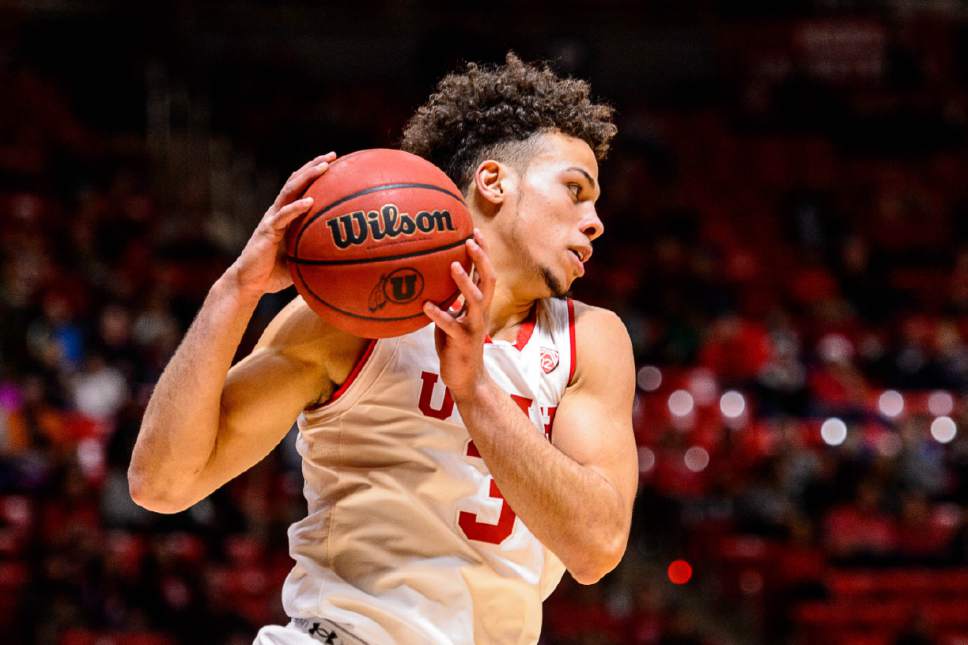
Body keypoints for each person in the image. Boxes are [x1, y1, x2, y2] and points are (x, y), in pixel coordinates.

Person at [128, 53, 638, 645]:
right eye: (575, 190)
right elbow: (162, 484)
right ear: (494, 182)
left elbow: (596, 547)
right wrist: (234, 289)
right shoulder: (352, 321)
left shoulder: (589, 340)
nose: (595, 221)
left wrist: (473, 390)